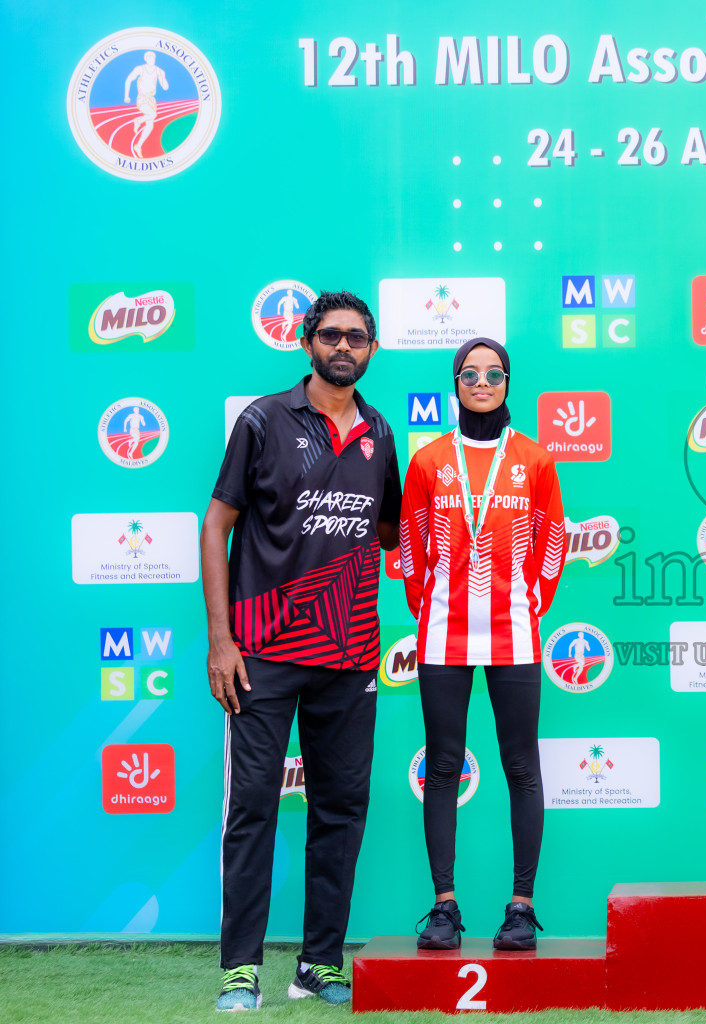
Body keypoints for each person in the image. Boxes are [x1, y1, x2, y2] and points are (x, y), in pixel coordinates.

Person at [202, 291, 401, 1010]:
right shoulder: (262, 420)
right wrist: (221, 641)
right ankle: (240, 969)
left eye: (358, 337)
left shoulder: (380, 430)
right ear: (306, 341)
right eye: (332, 335)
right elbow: (216, 526)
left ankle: (319, 964)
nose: (345, 347)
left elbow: (387, 533)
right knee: (253, 805)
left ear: (371, 350)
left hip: (349, 656)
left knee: (342, 808)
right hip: (262, 653)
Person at [401, 338, 566, 951]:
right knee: (442, 766)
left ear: (507, 383)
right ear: (455, 382)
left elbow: (553, 546)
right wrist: (432, 610)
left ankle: (521, 907)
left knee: (522, 766)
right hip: (443, 632)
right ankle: (445, 908)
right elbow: (412, 552)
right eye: (469, 373)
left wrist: (524, 604)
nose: (481, 381)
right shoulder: (428, 460)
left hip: (515, 633)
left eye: (493, 372)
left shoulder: (535, 459)